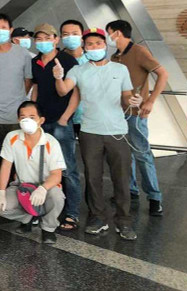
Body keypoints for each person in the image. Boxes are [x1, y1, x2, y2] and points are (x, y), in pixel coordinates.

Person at [54, 28, 140, 240]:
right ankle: (97, 218)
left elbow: (127, 97)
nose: (94, 47)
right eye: (89, 44)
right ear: (84, 48)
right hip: (89, 131)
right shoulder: (78, 70)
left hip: (117, 132)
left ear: (105, 45)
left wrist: (134, 101)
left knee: (121, 178)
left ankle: (124, 221)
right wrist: (58, 77)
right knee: (93, 178)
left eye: (98, 43)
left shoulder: (120, 69)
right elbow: (64, 90)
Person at [107, 20, 169, 216]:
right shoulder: (114, 57)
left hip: (135, 114)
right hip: (118, 113)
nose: (109, 38)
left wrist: (150, 101)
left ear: (117, 33)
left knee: (142, 154)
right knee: (124, 155)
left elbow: (163, 74)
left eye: (109, 33)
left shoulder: (139, 52)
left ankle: (154, 197)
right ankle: (130, 191)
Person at [0, 101, 66, 244]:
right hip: (22, 186)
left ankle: (48, 228)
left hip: (46, 187)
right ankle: (28, 218)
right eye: (23, 117)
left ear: (41, 120)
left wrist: (43, 189)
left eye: (32, 117)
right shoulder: (12, 137)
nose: (27, 121)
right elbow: (6, 166)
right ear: (18, 120)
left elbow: (57, 175)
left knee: (57, 197)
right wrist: (0, 193)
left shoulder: (51, 142)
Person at [30, 23, 81, 231]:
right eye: (39, 39)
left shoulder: (68, 61)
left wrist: (65, 118)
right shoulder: (35, 61)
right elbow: (35, 88)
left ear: (55, 39)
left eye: (47, 38)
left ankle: (72, 213)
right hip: (41, 123)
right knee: (40, 168)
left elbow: (74, 93)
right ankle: (41, 210)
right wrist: (32, 116)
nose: (43, 42)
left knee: (66, 168)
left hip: (60, 122)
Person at [60, 19, 88, 137]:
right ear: (61, 37)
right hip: (63, 116)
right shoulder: (57, 60)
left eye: (75, 34)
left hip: (88, 117)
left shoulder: (93, 59)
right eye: (66, 34)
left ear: (82, 37)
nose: (70, 37)